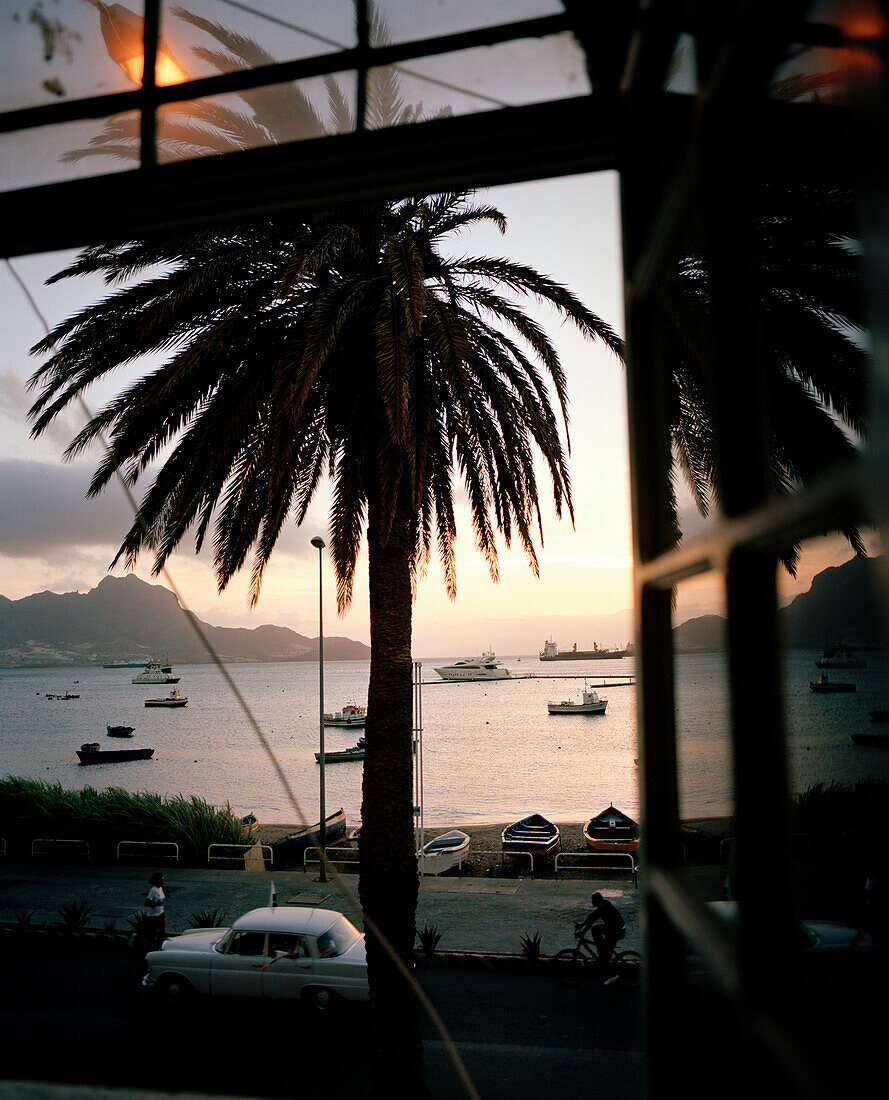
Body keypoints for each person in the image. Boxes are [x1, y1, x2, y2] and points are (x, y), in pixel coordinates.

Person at [577, 891, 625, 969]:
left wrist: (583, 932)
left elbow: (592, 921)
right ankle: (602, 956)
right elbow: (591, 916)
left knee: (595, 930)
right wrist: (581, 925)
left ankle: (603, 958)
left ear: (597, 901)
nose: (592, 902)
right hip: (615, 928)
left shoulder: (603, 907)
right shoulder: (603, 904)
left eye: (593, 900)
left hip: (617, 930)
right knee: (597, 933)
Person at [145, 872, 169, 948]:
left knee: (162, 932)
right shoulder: (153, 890)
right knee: (154, 933)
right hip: (153, 915)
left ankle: (160, 946)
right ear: (157, 881)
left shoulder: (160, 888)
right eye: (161, 880)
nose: (163, 882)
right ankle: (153, 947)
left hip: (161, 913)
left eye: (163, 880)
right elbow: (146, 903)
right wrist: (156, 904)